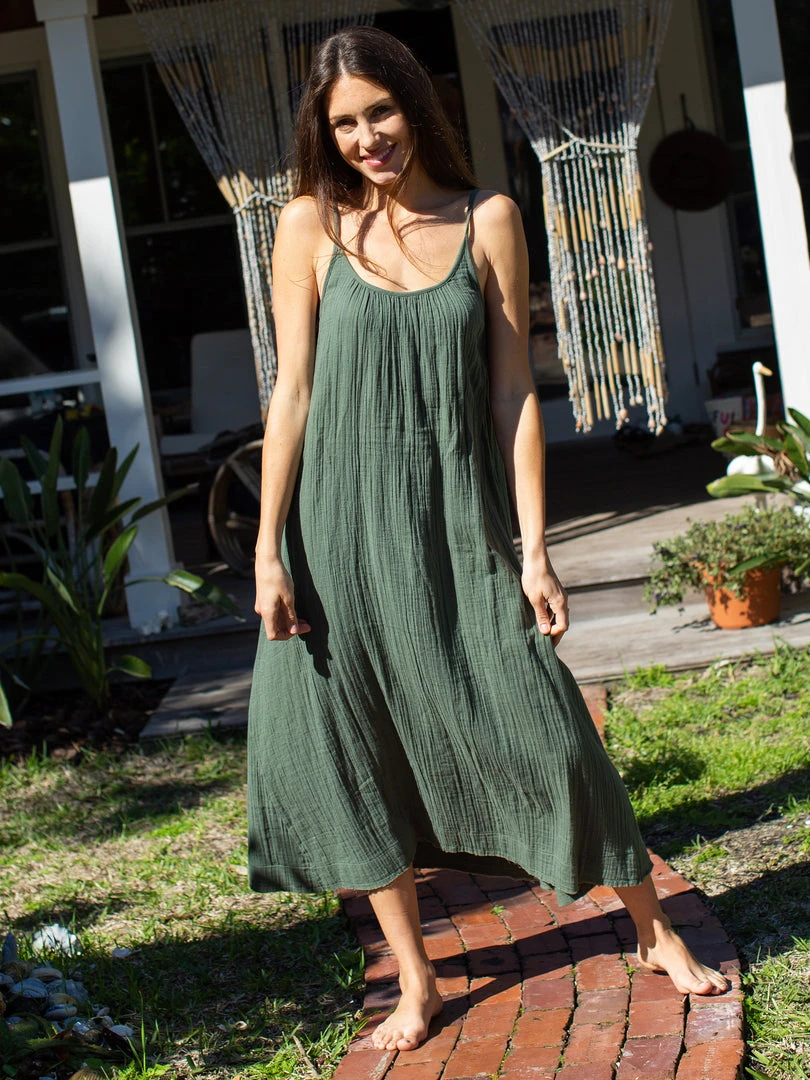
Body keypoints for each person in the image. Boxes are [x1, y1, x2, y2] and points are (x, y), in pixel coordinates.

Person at [248, 25, 728, 1056]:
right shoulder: (309, 226)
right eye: (345, 123)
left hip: (454, 523)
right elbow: (291, 394)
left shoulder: (488, 219)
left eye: (380, 111)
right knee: (355, 746)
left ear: (415, 105)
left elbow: (514, 396)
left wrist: (535, 548)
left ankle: (651, 929)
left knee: (541, 719)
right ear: (325, 136)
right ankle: (415, 981)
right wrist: (268, 549)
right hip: (335, 537)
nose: (367, 137)